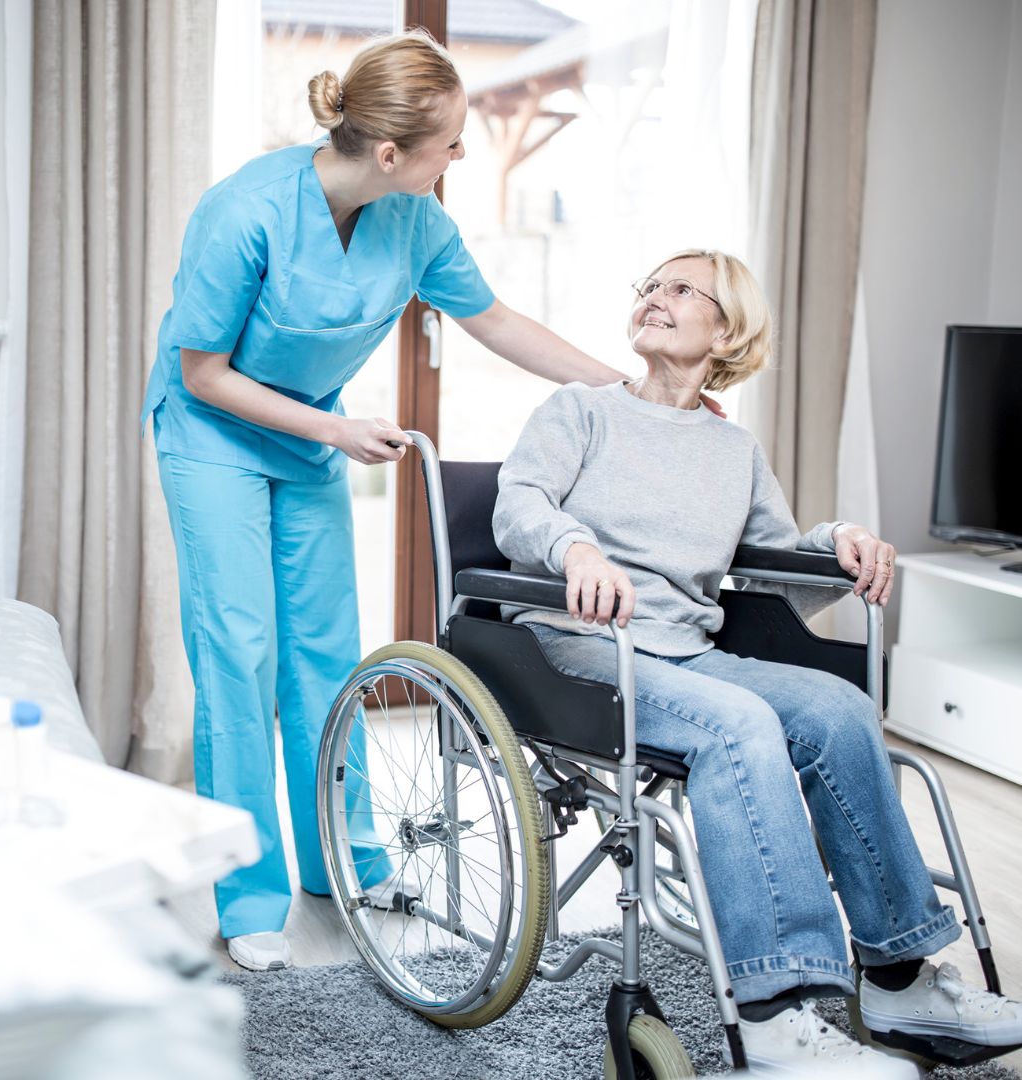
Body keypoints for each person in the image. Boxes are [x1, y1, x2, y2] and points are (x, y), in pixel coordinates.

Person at [141, 31, 632, 973]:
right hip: (212, 438)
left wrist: (622, 394)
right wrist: (333, 430)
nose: (463, 157)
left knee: (327, 651)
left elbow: (496, 322)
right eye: (451, 143)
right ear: (393, 152)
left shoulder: (417, 221)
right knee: (240, 654)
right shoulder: (244, 210)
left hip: (308, 438)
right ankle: (249, 891)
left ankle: (347, 857)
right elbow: (201, 372)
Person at [493, 249, 1022, 1074]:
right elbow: (520, 500)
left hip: (687, 654)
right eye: (649, 287)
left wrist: (836, 541)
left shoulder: (731, 450)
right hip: (578, 645)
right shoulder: (580, 411)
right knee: (740, 726)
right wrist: (576, 550)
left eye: (679, 289)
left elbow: (774, 563)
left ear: (727, 327)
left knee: (840, 712)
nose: (653, 299)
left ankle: (899, 976)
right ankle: (777, 1019)